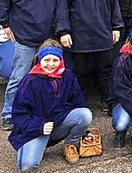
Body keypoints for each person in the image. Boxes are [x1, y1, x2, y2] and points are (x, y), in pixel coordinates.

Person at [0, 0, 63, 131]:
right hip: (25, 36)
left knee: (49, 76)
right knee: (19, 77)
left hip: (48, 38)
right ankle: (8, 113)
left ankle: (43, 111)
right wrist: (4, 24)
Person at [56, 0, 124, 111]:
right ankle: (80, 104)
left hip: (103, 32)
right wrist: (63, 31)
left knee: (106, 70)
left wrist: (116, 26)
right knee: (80, 73)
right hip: (79, 35)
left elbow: (113, 3)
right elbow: (62, 5)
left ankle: (108, 102)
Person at [8, 40, 92, 171]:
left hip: (58, 124)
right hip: (36, 129)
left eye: (55, 60)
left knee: (85, 114)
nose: (51, 64)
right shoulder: (29, 81)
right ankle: (35, 146)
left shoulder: (68, 76)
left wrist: (83, 131)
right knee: (27, 166)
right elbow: (19, 115)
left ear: (61, 61)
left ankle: (70, 144)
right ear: (39, 60)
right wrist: (39, 126)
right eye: (47, 60)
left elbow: (78, 102)